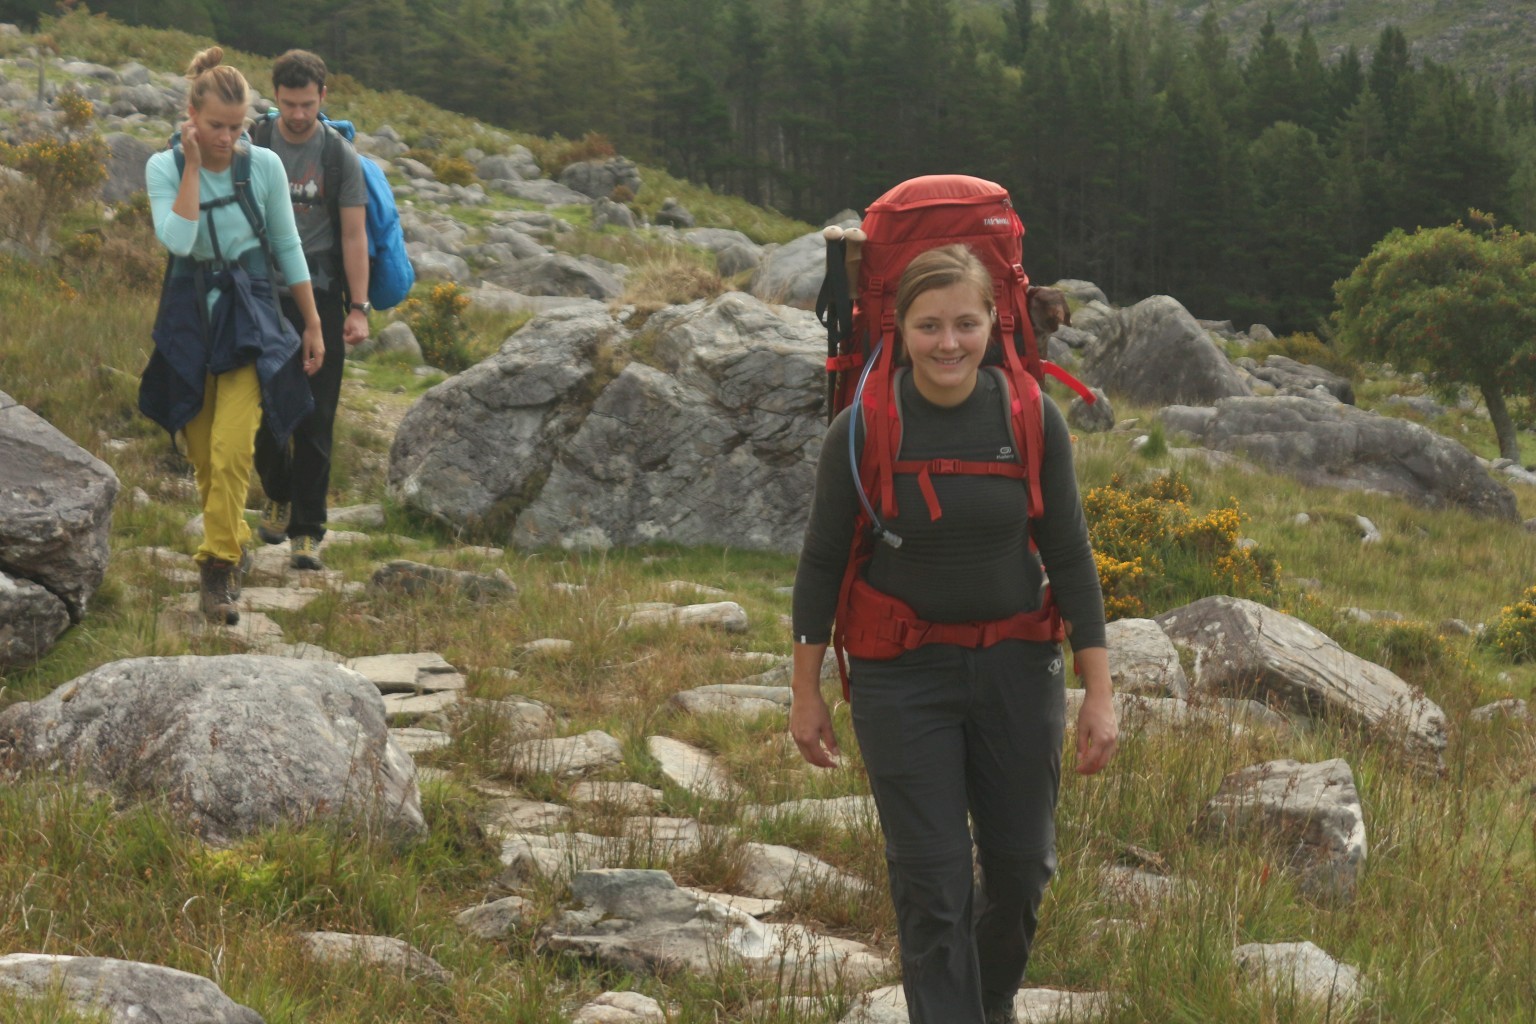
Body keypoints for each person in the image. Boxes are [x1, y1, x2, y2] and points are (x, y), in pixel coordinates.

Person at [789, 244, 1118, 1024]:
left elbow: (1070, 555)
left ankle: (989, 1004)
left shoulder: (1030, 415)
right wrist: (804, 693)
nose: (948, 343)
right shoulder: (860, 429)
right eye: (929, 324)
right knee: (931, 882)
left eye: (965, 324)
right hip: (901, 678)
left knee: (1020, 871)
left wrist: (1100, 692)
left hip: (1017, 666)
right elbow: (821, 565)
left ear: (993, 322)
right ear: (898, 328)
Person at [144, 47, 323, 624]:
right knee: (201, 452)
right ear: (191, 117)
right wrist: (193, 168)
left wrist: (312, 320)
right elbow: (178, 240)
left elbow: (287, 246)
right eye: (216, 126)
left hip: (249, 317)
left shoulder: (264, 166)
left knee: (230, 449)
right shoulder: (163, 167)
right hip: (190, 319)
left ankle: (218, 567)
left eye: (236, 126)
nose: (227, 137)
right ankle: (236, 536)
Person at [252, 49, 371, 570]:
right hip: (258, 294)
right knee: (259, 409)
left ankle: (308, 529)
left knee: (316, 416)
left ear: (323, 97)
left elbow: (352, 234)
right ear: (274, 98)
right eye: (287, 104)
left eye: (306, 104)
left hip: (320, 292)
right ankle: (275, 491)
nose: (297, 115)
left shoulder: (339, 156)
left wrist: (359, 307)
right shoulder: (254, 142)